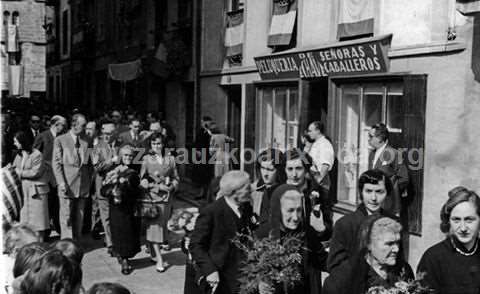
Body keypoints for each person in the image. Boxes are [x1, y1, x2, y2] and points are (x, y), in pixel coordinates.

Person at [190, 170, 257, 294]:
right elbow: (195, 245)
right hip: (220, 277)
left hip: (243, 275)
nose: (251, 190)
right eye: (247, 188)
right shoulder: (212, 212)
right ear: (234, 192)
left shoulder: (246, 207)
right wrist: (210, 271)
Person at [256, 185, 324, 294]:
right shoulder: (262, 235)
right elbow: (246, 272)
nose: (296, 217)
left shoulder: (307, 233)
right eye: (290, 210)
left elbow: (324, 261)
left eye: (299, 210)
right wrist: (259, 284)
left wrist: (323, 230)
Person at [282, 149, 333, 293]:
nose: (294, 174)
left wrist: (322, 229)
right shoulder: (277, 193)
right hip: (283, 260)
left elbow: (328, 229)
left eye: (298, 168)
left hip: (310, 261)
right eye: (290, 169)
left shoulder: (317, 193)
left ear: (306, 169)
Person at [323, 215, 414, 294]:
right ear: (369, 244)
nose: (396, 249)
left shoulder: (404, 270)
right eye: (389, 244)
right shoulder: (343, 279)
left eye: (397, 243)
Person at [327, 169, 396, 272]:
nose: (373, 198)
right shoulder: (345, 225)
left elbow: (398, 264)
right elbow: (335, 266)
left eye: (379, 192)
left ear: (387, 193)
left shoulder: (393, 223)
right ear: (361, 193)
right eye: (368, 191)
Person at [417, 186, 480, 294]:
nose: (463, 228)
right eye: (456, 220)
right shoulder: (433, 258)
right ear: (448, 221)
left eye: (469, 220)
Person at [139, 133, 179, 272]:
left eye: (159, 143)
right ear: (150, 145)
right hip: (153, 199)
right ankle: (160, 259)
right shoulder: (146, 159)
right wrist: (157, 187)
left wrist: (172, 186)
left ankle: (152, 251)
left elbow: (176, 177)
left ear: (163, 144)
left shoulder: (171, 159)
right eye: (154, 144)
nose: (157, 146)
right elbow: (143, 181)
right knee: (155, 228)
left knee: (161, 226)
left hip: (167, 199)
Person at [101, 145, 141, 275]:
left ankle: (126, 255)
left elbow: (137, 190)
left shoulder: (135, 170)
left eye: (130, 155)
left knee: (130, 233)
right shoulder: (113, 170)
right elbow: (103, 190)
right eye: (125, 155)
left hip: (130, 206)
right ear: (120, 156)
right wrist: (112, 192)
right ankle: (124, 259)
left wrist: (126, 188)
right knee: (119, 231)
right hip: (117, 208)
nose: (128, 158)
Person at [52, 113, 92, 240]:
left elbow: (90, 162)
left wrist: (89, 180)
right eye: (83, 125)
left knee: (80, 216)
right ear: (74, 125)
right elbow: (56, 163)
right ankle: (67, 244)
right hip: (67, 184)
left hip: (83, 185)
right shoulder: (60, 140)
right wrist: (61, 182)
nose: (85, 128)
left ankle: (77, 242)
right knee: (66, 216)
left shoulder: (87, 140)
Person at [12, 131, 50, 241]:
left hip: (36, 192)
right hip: (24, 191)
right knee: (26, 221)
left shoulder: (37, 154)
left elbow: (35, 172)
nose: (14, 143)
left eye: (16, 141)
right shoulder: (18, 155)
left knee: (39, 222)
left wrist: (19, 173)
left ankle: (40, 244)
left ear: (22, 141)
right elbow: (14, 168)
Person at [34, 115, 67, 237]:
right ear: (54, 124)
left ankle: (59, 228)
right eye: (62, 125)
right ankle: (46, 231)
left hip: (58, 175)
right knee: (46, 203)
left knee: (58, 202)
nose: (63, 127)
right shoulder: (43, 136)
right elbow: (35, 154)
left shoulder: (63, 137)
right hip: (46, 174)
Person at [367, 123, 409, 215]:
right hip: (374, 203)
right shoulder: (372, 154)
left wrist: (392, 193)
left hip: (389, 205)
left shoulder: (394, 153)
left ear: (380, 138)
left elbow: (403, 178)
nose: (368, 139)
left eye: (370, 136)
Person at [91, 121, 117, 256]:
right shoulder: (97, 147)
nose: (108, 136)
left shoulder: (119, 145)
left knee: (116, 215)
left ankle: (116, 239)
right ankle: (110, 243)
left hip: (118, 187)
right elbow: (97, 167)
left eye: (110, 134)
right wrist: (111, 161)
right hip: (103, 186)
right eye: (106, 134)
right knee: (106, 216)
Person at [251, 148, 285, 227]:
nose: (265, 174)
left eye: (270, 169)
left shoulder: (286, 191)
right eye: (262, 168)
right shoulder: (253, 190)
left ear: (279, 170)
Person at [306, 121, 334, 199]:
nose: (309, 133)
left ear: (318, 131)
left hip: (320, 182)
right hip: (313, 179)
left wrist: (317, 183)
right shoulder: (316, 143)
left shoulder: (324, 144)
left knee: (319, 206)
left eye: (310, 131)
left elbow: (325, 164)